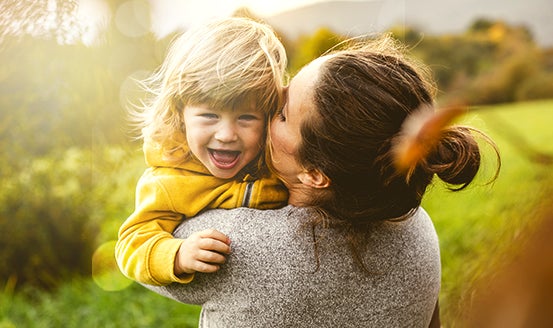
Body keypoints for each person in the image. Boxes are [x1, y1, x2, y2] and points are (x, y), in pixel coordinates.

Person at [145, 34, 500, 327]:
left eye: (281, 114)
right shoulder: (416, 226)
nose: (271, 103)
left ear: (315, 174)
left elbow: (147, 248)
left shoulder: (234, 244)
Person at [115, 17, 289, 286]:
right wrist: (177, 255)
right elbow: (131, 242)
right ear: (179, 113)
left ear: (268, 118)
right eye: (209, 115)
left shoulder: (277, 156)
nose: (227, 135)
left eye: (246, 118)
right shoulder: (169, 181)